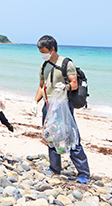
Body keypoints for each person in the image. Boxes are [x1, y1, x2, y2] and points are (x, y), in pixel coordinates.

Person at [32, 35, 90, 184]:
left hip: (63, 106)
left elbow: (74, 83)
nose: (42, 54)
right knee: (51, 137)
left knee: (71, 137)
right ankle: (55, 168)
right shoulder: (43, 66)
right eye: (40, 51)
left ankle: (83, 173)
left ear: (52, 49)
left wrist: (66, 87)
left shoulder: (66, 64)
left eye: (44, 51)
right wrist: (35, 102)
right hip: (49, 106)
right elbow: (41, 86)